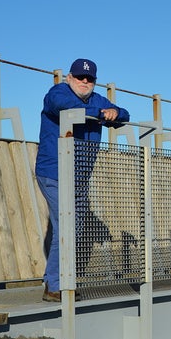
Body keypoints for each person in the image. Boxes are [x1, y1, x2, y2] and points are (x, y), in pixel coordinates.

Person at [35, 58, 130, 302]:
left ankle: (57, 280)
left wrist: (115, 112)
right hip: (54, 173)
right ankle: (55, 286)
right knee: (67, 225)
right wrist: (101, 114)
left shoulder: (97, 100)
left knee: (73, 227)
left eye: (89, 79)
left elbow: (125, 114)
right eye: (80, 77)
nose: (84, 82)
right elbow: (66, 108)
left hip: (78, 177)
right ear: (69, 77)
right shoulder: (57, 93)